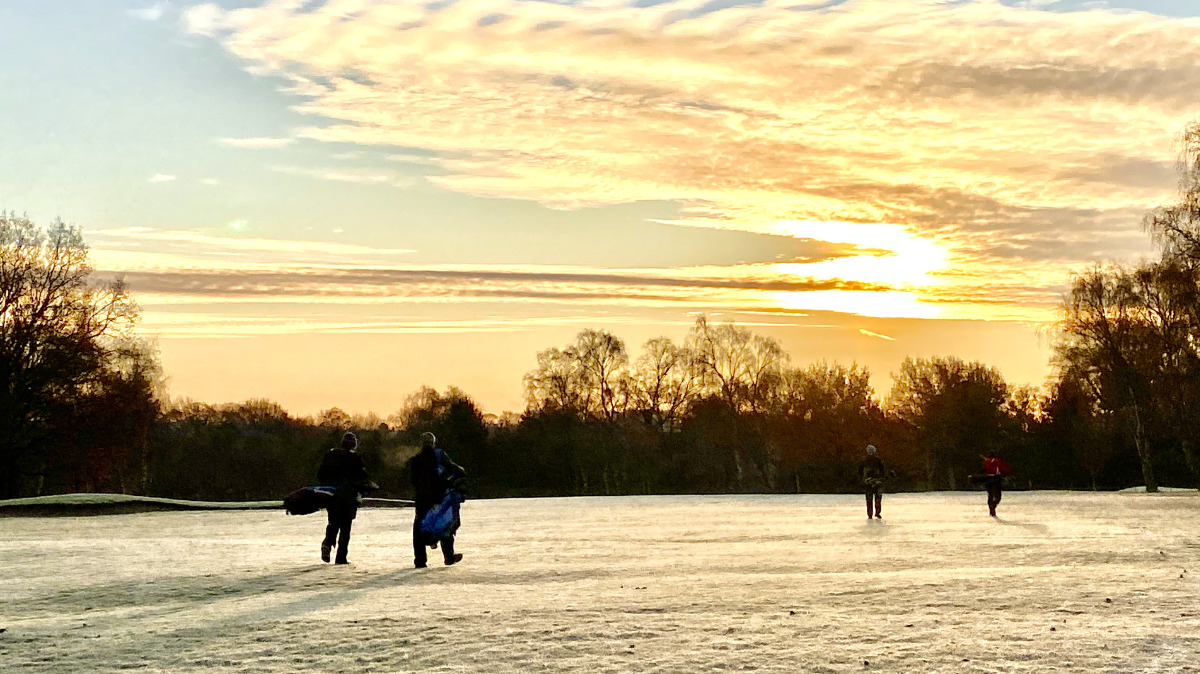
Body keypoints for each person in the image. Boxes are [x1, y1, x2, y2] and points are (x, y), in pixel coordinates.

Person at [408, 431, 466, 568]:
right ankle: (448, 556)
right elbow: (454, 468)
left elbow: (412, 480)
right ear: (433, 443)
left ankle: (420, 560)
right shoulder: (439, 455)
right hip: (439, 497)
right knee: (445, 523)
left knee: (419, 527)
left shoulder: (416, 459)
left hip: (422, 499)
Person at [317, 431, 370, 565]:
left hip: (333, 496)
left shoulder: (331, 455)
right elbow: (363, 476)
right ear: (354, 445)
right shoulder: (355, 458)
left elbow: (321, 474)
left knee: (333, 523)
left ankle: (328, 543)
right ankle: (341, 557)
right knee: (346, 528)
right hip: (349, 498)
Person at [858, 444, 891, 519]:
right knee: (878, 498)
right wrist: (884, 478)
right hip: (878, 482)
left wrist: (863, 479)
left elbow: (860, 472)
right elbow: (883, 472)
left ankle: (870, 514)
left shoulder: (864, 461)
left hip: (867, 482)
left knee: (869, 499)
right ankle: (877, 512)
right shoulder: (878, 461)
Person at [980, 451, 1014, 517]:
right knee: (998, 495)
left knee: (990, 494)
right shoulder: (997, 461)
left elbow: (982, 470)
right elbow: (1004, 468)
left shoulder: (985, 461)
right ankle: (994, 505)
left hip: (987, 479)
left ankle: (991, 509)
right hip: (996, 479)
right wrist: (1010, 473)